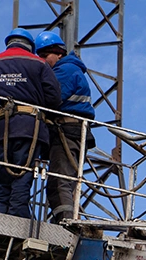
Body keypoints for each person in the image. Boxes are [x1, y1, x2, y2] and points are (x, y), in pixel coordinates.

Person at [0, 28, 61, 218]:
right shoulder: (39, 64)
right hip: (29, 128)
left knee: (3, 175)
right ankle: (19, 215)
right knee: (23, 173)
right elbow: (54, 98)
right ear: (30, 46)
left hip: (1, 129)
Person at [34, 30, 95, 222]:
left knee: (59, 180)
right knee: (67, 179)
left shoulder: (64, 71)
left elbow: (51, 99)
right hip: (74, 131)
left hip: (67, 131)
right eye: (39, 56)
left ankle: (65, 222)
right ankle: (67, 217)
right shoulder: (69, 69)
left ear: (59, 53)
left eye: (45, 56)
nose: (43, 60)